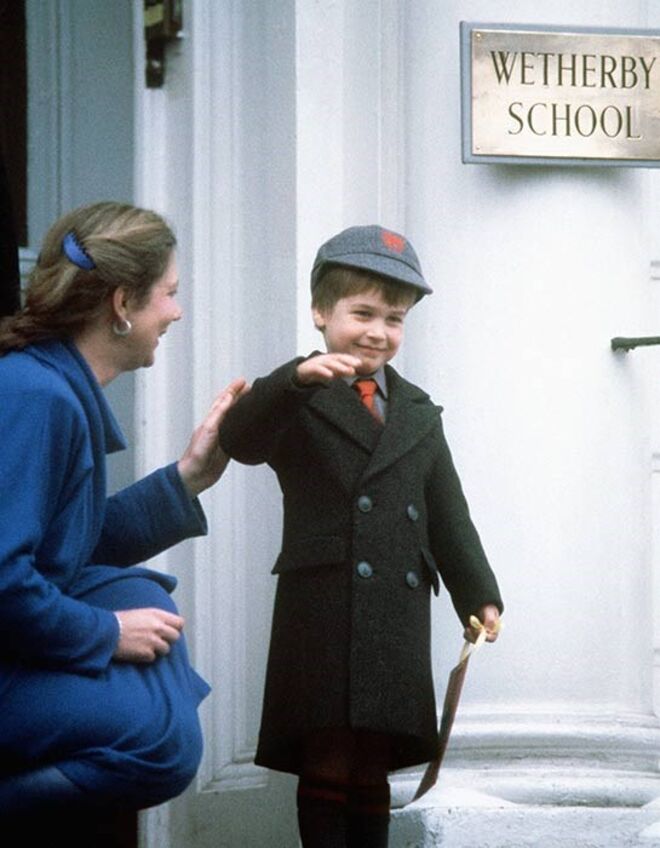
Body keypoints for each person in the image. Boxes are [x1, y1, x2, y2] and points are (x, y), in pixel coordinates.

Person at [218, 225, 503, 848]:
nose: (378, 331)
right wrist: (296, 379)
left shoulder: (418, 410)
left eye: (394, 319)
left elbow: (448, 511)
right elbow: (240, 441)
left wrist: (478, 594)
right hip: (322, 604)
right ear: (321, 312)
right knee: (326, 754)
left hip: (395, 609)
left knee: (373, 759)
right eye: (363, 313)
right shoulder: (297, 395)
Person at [0, 201, 247, 822]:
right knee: (159, 740)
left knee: (144, 599)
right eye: (167, 293)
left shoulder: (49, 388)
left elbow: (68, 549)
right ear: (121, 304)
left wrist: (187, 478)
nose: (176, 311)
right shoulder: (37, 396)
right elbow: (4, 578)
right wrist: (108, 634)